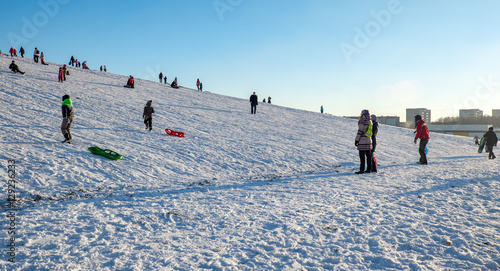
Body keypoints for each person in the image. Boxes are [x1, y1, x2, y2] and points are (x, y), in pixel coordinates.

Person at [354, 109, 373, 174]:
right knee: (368, 156)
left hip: (362, 140)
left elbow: (360, 131)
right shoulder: (370, 120)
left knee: (362, 156)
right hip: (368, 140)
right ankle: (369, 169)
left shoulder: (363, 120)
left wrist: (356, 140)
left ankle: (361, 170)